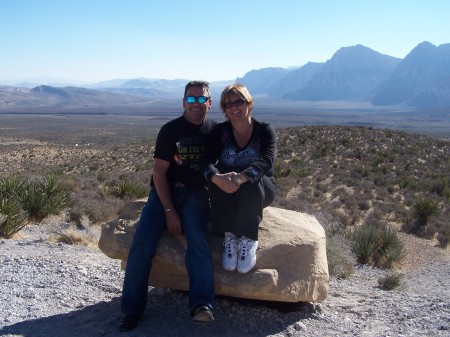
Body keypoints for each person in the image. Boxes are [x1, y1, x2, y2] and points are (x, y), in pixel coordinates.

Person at [118, 80, 217, 332]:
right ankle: (131, 309)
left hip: (196, 195)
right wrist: (169, 210)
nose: (196, 104)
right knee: (142, 242)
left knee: (198, 241)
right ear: (184, 102)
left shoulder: (216, 131)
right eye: (191, 99)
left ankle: (201, 305)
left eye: (201, 99)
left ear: (210, 102)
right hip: (165, 193)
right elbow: (159, 173)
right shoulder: (170, 130)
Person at [202, 83, 277, 274]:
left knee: (253, 176)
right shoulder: (221, 132)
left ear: (249, 103)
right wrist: (217, 178)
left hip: (259, 190)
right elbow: (205, 162)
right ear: (224, 110)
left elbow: (267, 160)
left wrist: (241, 178)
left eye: (239, 101)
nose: (234, 107)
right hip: (228, 191)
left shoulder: (264, 130)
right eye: (228, 105)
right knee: (215, 176)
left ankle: (248, 238)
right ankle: (230, 237)